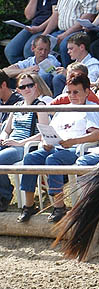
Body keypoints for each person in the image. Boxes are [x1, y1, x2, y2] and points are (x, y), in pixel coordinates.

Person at [18, 73, 99, 223]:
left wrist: (74, 141)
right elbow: (52, 130)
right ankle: (29, 204)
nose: (72, 96)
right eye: (69, 92)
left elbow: (97, 134)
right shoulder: (64, 109)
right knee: (30, 158)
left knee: (53, 160)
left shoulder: (91, 109)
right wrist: (47, 142)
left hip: (78, 149)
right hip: (58, 146)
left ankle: (58, 206)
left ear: (86, 91)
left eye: (76, 92)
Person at [0, 73, 50, 211]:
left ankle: (4, 195)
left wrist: (19, 143)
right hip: (10, 143)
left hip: (25, 146)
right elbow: (7, 129)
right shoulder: (16, 105)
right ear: (18, 90)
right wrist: (3, 137)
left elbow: (43, 134)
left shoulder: (40, 106)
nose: (27, 88)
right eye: (23, 86)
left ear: (36, 86)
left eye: (30, 85)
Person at [41, 0, 98, 67]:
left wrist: (65, 34)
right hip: (61, 30)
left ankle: (67, 72)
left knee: (64, 45)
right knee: (43, 43)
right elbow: (56, 14)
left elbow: (89, 16)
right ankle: (47, 72)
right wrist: (43, 35)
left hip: (79, 31)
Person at [51, 32, 99, 97]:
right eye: (68, 49)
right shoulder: (72, 65)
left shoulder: (94, 65)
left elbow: (89, 85)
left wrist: (68, 74)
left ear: (81, 47)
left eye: (71, 48)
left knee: (58, 78)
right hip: (69, 97)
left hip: (84, 99)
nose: (68, 52)